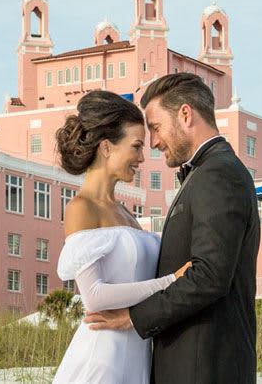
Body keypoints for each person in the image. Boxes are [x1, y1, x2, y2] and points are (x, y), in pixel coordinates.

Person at [84, 73, 262, 383]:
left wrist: (134, 318)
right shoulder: (207, 172)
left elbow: (209, 276)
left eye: (155, 127)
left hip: (203, 369)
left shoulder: (217, 173)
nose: (153, 142)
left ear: (185, 114)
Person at [52, 90, 192, 383]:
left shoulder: (125, 213)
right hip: (102, 359)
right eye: (137, 146)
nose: (142, 157)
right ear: (106, 147)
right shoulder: (81, 208)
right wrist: (171, 282)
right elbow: (94, 296)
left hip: (136, 357)